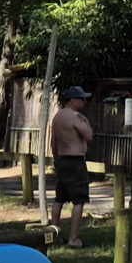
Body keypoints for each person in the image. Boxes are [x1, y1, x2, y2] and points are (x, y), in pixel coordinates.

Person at [47, 86, 94, 246]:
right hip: (75, 161)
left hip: (61, 159)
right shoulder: (75, 116)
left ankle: (55, 235)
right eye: (81, 98)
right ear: (73, 100)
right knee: (79, 200)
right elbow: (89, 136)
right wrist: (85, 121)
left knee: (59, 198)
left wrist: (56, 159)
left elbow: (53, 142)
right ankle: (73, 238)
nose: (84, 101)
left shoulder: (57, 117)